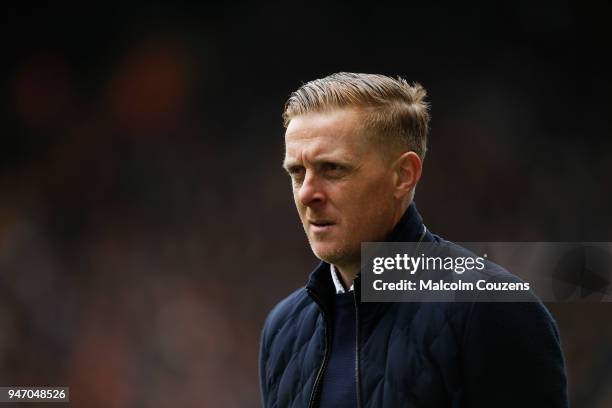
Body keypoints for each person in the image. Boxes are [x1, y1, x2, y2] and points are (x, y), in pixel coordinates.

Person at [259, 72, 568, 407]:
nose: (307, 194)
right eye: (297, 173)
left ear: (403, 176)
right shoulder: (283, 330)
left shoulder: (493, 309)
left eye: (332, 169)